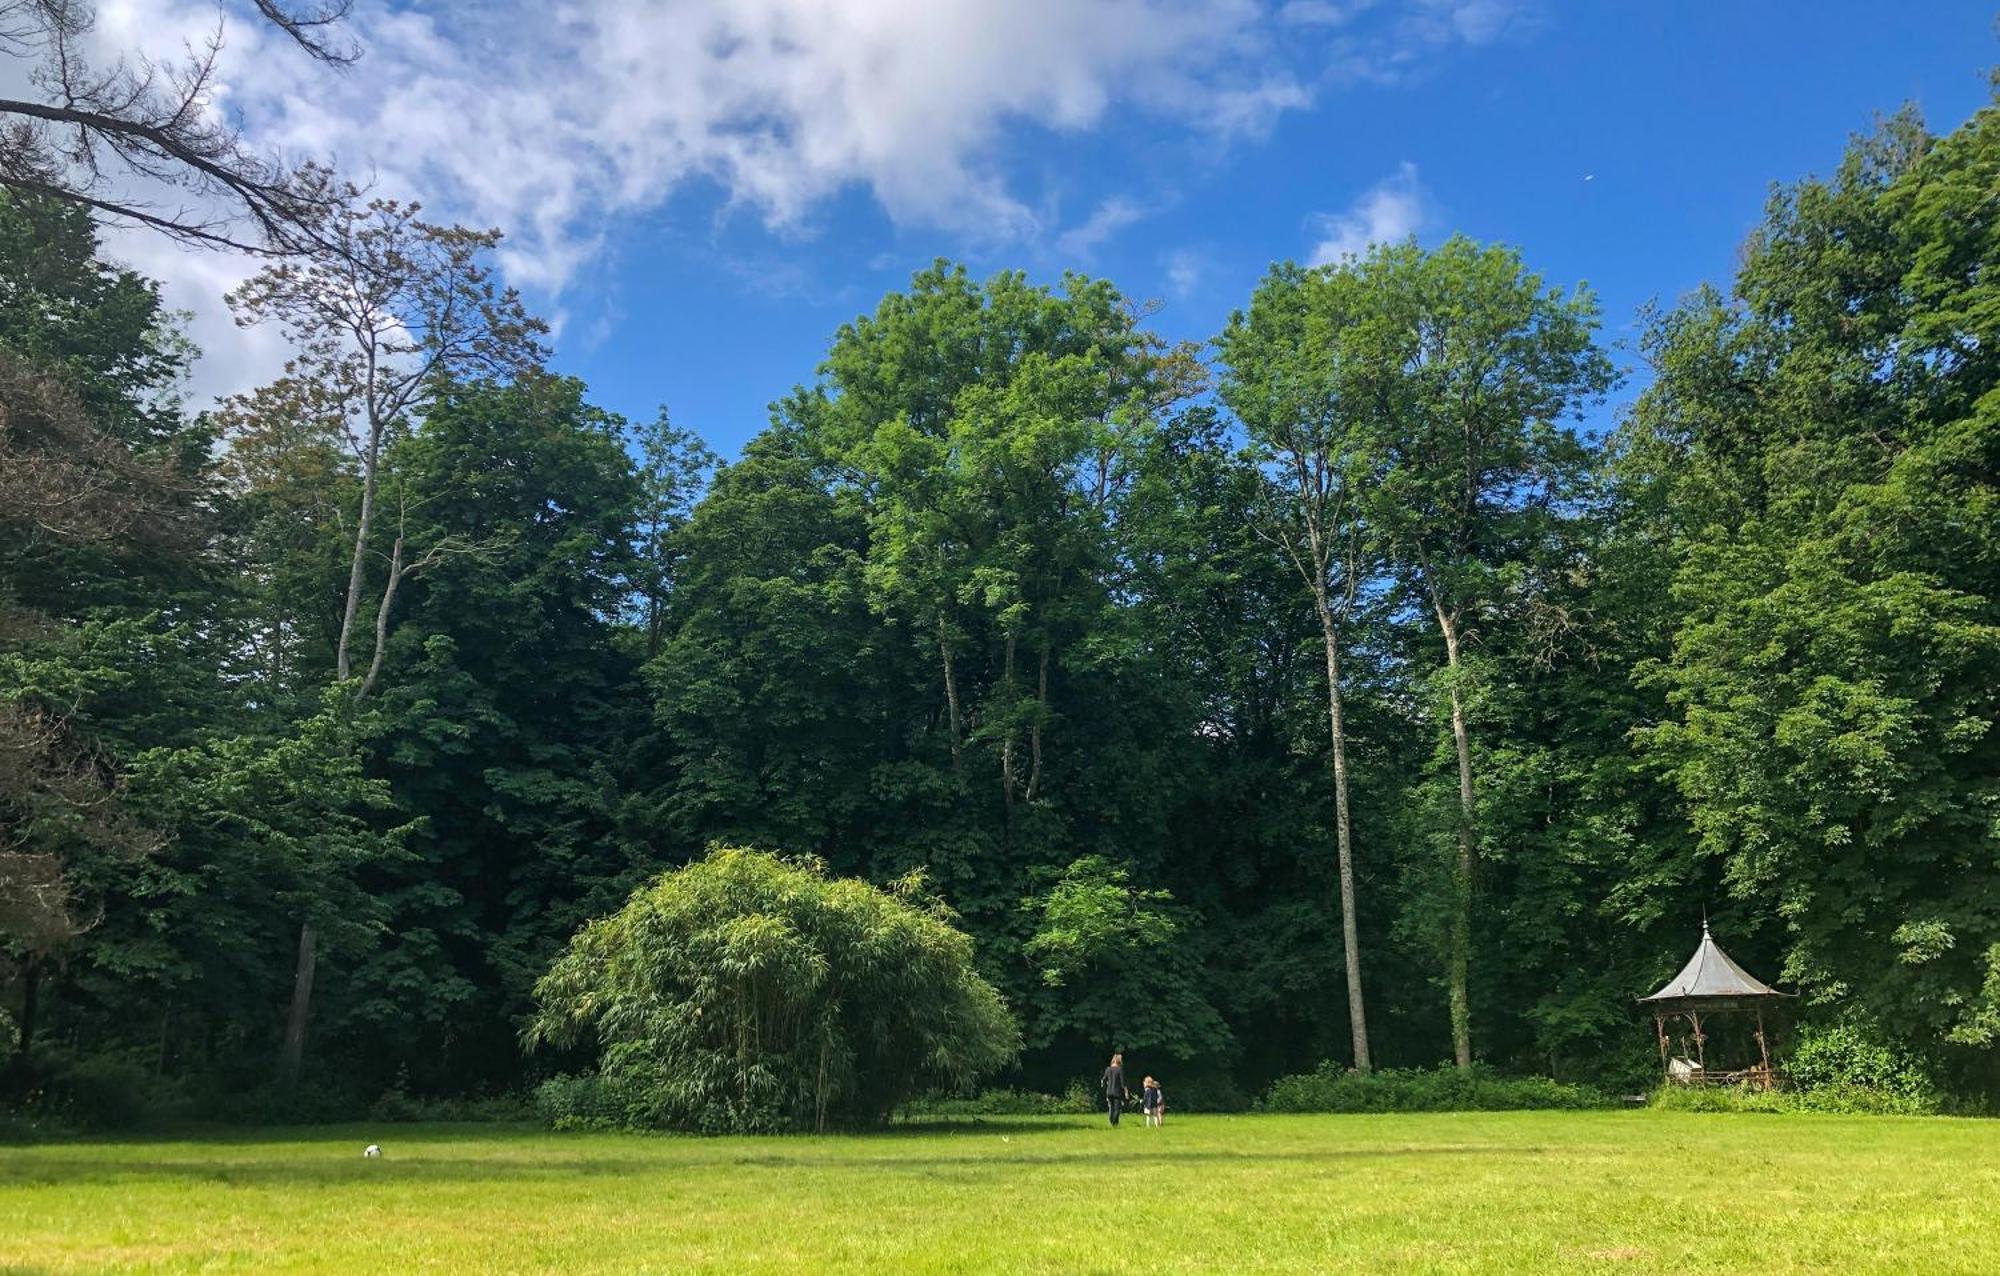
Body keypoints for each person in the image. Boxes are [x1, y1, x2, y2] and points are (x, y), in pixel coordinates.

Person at [1101, 1052, 1129, 1126]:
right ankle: (1115, 1123)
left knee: (1111, 1107)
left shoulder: (1108, 1069)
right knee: (1117, 1108)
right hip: (1117, 1092)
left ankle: (1111, 1122)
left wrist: (1104, 1087)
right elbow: (1122, 1082)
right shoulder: (1120, 1069)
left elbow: (1103, 1080)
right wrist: (1126, 1091)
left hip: (1109, 1092)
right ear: (1120, 1061)